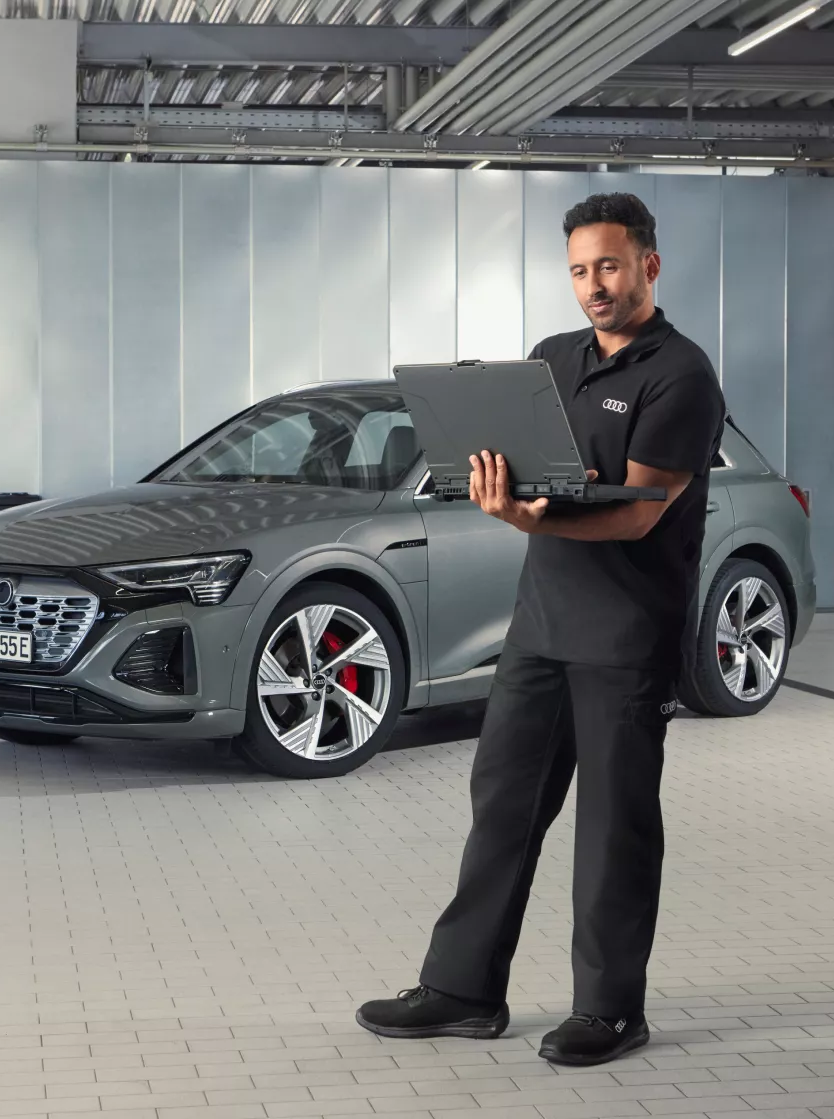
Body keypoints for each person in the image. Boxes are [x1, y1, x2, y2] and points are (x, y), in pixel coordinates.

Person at [356, 192, 726, 1067]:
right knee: (501, 810)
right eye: (577, 270)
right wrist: (489, 485)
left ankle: (608, 1010)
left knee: (612, 827)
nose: (592, 285)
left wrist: (524, 520)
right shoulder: (551, 359)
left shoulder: (681, 375)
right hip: (539, 627)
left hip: (625, 636)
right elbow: (533, 468)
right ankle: (462, 989)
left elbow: (637, 513)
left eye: (608, 265)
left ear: (648, 265)